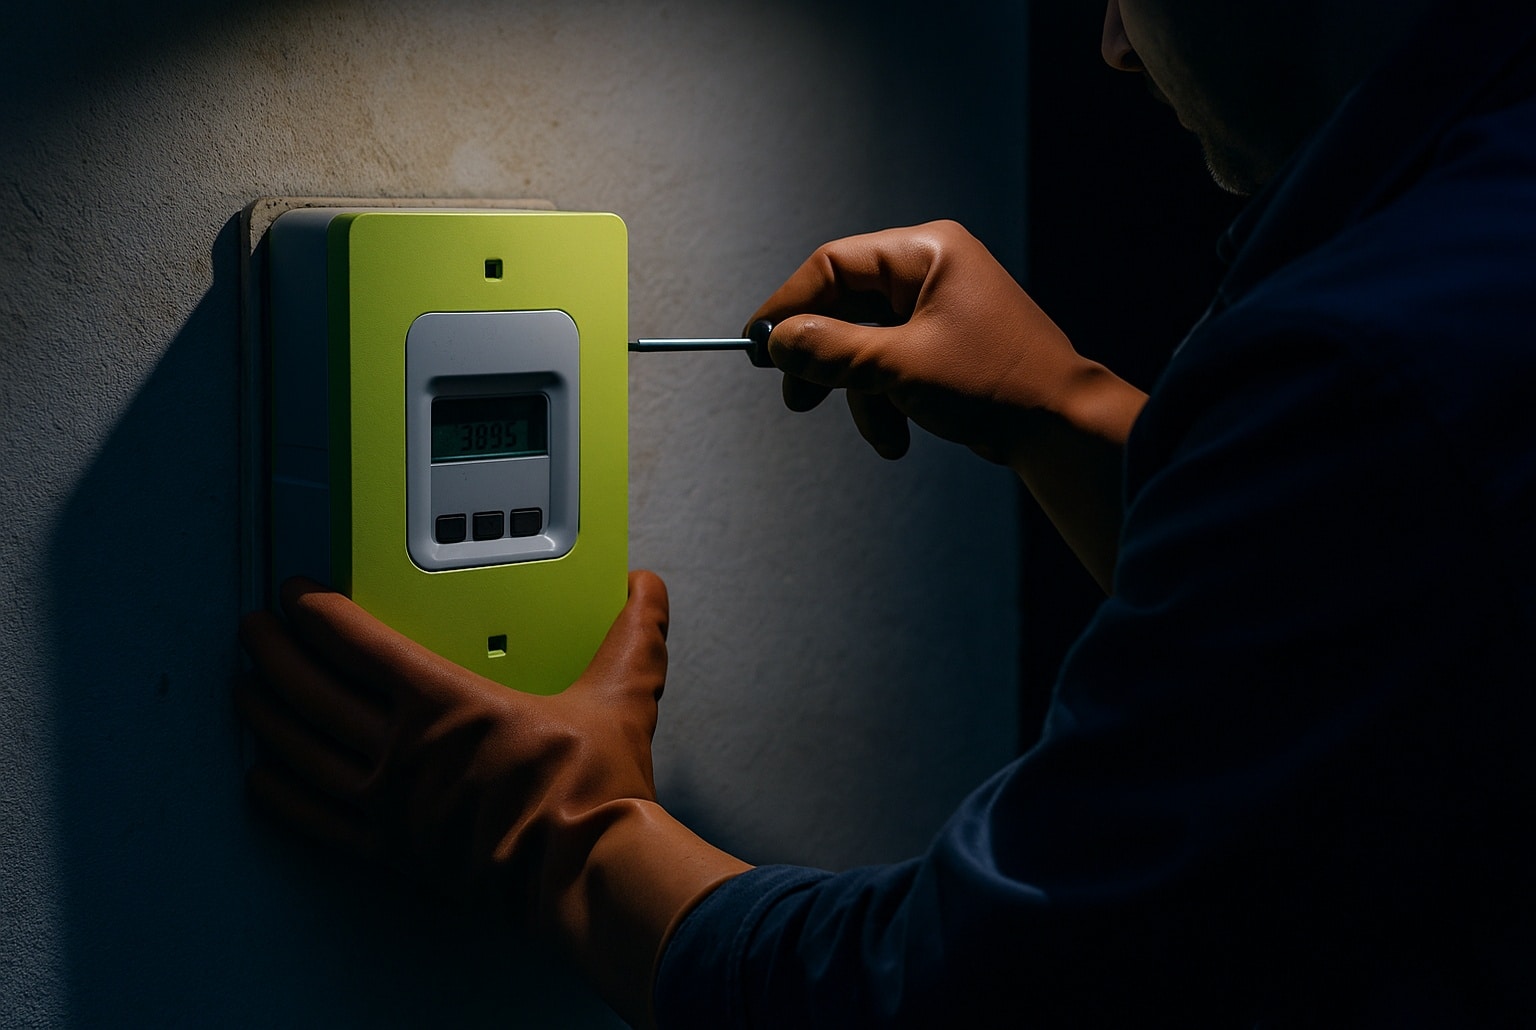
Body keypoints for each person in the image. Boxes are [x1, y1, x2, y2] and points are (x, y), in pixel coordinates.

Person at [237, 0, 1536, 1024]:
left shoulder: (1379, 359)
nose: (1112, 46)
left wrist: (563, 836)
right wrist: (1070, 416)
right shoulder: (1472, 250)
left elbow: (989, 995)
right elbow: (1373, 655)